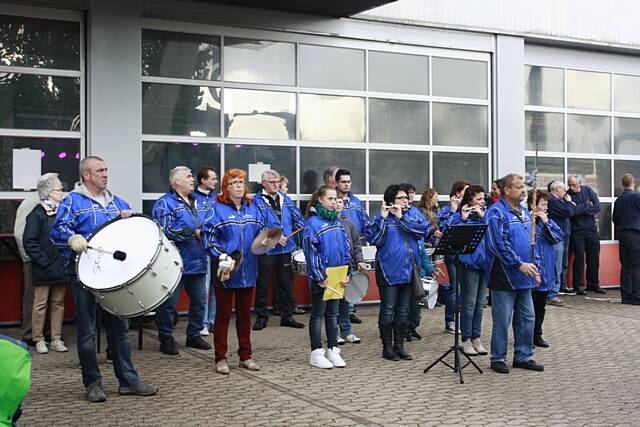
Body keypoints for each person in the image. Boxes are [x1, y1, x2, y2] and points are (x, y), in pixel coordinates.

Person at [52, 156, 158, 402]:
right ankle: (92, 383)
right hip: (84, 277)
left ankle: (128, 381)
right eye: (100, 170)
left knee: (120, 329)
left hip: (114, 278)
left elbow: (131, 235)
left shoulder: (116, 202)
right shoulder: (73, 201)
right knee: (87, 332)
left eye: (106, 169)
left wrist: (129, 220)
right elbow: (57, 230)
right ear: (86, 175)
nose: (105, 174)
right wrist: (71, 238)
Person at [201, 169, 279, 375]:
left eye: (241, 182)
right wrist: (222, 256)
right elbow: (208, 239)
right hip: (226, 268)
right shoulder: (216, 209)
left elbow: (264, 232)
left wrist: (268, 239)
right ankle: (220, 358)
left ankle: (246, 356)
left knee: (245, 315)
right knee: (223, 315)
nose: (238, 185)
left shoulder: (253, 208)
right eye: (233, 182)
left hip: (249, 268)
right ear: (226, 187)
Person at [485, 173, 543, 374]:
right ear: (507, 190)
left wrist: (536, 269)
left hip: (525, 276)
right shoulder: (496, 213)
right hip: (504, 275)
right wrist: (518, 264)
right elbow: (498, 244)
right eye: (519, 187)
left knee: (528, 317)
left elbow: (532, 243)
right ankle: (498, 358)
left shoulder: (526, 213)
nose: (523, 190)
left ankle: (523, 356)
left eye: (524, 187)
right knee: (502, 319)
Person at [366, 184, 429, 362]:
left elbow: (422, 231)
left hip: (409, 270)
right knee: (388, 309)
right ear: (391, 200)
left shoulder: (411, 215)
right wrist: (384, 219)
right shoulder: (381, 218)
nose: (406, 200)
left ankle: (400, 346)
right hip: (389, 271)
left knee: (403, 310)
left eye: (406, 198)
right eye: (401, 198)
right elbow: (375, 240)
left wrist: (401, 219)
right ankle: (387, 347)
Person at [153, 166, 211, 355]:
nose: (193, 179)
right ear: (176, 181)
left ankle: (194, 335)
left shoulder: (199, 202)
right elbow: (163, 230)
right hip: (174, 263)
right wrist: (191, 232)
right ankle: (166, 338)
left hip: (199, 260)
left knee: (200, 302)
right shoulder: (164, 203)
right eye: (188, 176)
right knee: (169, 304)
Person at [303, 186, 351, 369]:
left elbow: (345, 248)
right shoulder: (312, 223)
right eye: (330, 198)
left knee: (333, 314)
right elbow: (311, 252)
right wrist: (319, 276)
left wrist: (347, 272)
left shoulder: (337, 222)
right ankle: (316, 352)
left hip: (337, 276)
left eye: (335, 199)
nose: (333, 202)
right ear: (320, 200)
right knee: (318, 314)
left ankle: (333, 348)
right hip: (321, 278)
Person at [252, 170, 305, 330]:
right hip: (266, 249)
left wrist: (300, 227)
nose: (276, 185)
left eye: (277, 182)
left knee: (286, 283)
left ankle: (287, 316)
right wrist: (274, 237)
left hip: (285, 248)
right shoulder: (256, 201)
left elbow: (298, 219)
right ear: (263, 183)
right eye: (272, 182)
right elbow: (256, 224)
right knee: (263, 283)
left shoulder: (286, 200)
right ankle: (261, 317)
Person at [22, 173, 69, 354]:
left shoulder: (63, 211)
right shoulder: (37, 213)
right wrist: (44, 261)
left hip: (60, 265)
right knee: (40, 304)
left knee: (58, 302)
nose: (62, 192)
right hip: (44, 267)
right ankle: (39, 339)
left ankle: (56, 338)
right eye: (58, 189)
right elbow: (29, 241)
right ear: (49, 192)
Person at [446, 185, 489, 357]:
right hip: (468, 263)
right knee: (469, 303)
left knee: (480, 304)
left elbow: (494, 233)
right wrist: (462, 218)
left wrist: (483, 217)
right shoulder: (459, 216)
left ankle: (476, 337)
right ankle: (465, 338)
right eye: (478, 199)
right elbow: (448, 232)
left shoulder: (485, 216)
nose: (481, 202)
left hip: (484, 263)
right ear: (470, 200)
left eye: (483, 199)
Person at [528, 189, 564, 348]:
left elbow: (558, 237)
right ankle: (525, 336)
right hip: (530, 271)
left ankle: (537, 334)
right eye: (543, 204)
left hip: (545, 270)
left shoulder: (547, 221)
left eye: (546, 205)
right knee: (527, 308)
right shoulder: (525, 221)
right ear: (533, 204)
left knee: (540, 307)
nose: (546, 208)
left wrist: (546, 222)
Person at [335, 168, 369, 324]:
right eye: (343, 182)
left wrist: (364, 232)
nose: (346, 184)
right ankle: (337, 313)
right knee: (340, 282)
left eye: (348, 181)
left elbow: (363, 218)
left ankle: (350, 311)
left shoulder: (355, 201)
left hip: (355, 242)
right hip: (338, 247)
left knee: (353, 279)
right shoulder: (333, 199)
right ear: (336, 183)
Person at [335, 196, 368, 344]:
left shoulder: (349, 223)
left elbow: (356, 244)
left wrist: (360, 260)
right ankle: (333, 333)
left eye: (340, 202)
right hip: (333, 269)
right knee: (333, 304)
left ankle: (347, 331)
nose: (337, 204)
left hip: (348, 267)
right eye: (334, 200)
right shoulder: (325, 223)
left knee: (346, 302)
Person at [439, 180, 470, 334]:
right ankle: (450, 320)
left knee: (465, 289)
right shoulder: (446, 209)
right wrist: (453, 211)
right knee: (454, 288)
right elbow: (444, 228)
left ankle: (463, 320)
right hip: (451, 254)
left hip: (466, 254)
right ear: (457, 193)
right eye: (466, 191)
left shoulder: (468, 208)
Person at [566, 175, 605, 295]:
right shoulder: (567, 195)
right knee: (579, 258)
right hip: (576, 231)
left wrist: (579, 209)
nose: (571, 187)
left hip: (591, 230)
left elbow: (598, 207)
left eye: (574, 184)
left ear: (579, 183)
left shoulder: (588, 190)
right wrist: (587, 206)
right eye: (570, 184)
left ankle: (593, 284)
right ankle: (579, 286)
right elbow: (573, 212)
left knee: (593, 257)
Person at [193, 166, 218, 337]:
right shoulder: (192, 197)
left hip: (217, 246)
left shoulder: (218, 198)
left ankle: (213, 320)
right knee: (204, 286)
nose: (216, 182)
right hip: (199, 247)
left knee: (217, 285)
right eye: (213, 179)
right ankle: (202, 323)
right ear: (203, 180)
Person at [13, 194, 41, 346]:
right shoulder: (30, 203)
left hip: (46, 259)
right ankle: (29, 333)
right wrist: (28, 257)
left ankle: (44, 333)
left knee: (46, 298)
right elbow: (19, 233)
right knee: (32, 296)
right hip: (32, 258)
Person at [612, 173, 640, 305]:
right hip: (635, 234)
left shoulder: (619, 199)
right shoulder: (636, 196)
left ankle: (626, 296)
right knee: (636, 266)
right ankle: (636, 296)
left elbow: (615, 219)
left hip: (622, 234)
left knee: (626, 266)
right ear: (634, 182)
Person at [547, 180, 575, 302]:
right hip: (556, 237)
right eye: (563, 189)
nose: (565, 192)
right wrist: (569, 203)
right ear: (557, 189)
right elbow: (569, 212)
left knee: (561, 265)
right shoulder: (553, 201)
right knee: (556, 266)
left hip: (563, 235)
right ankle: (552, 293)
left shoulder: (559, 201)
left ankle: (556, 290)